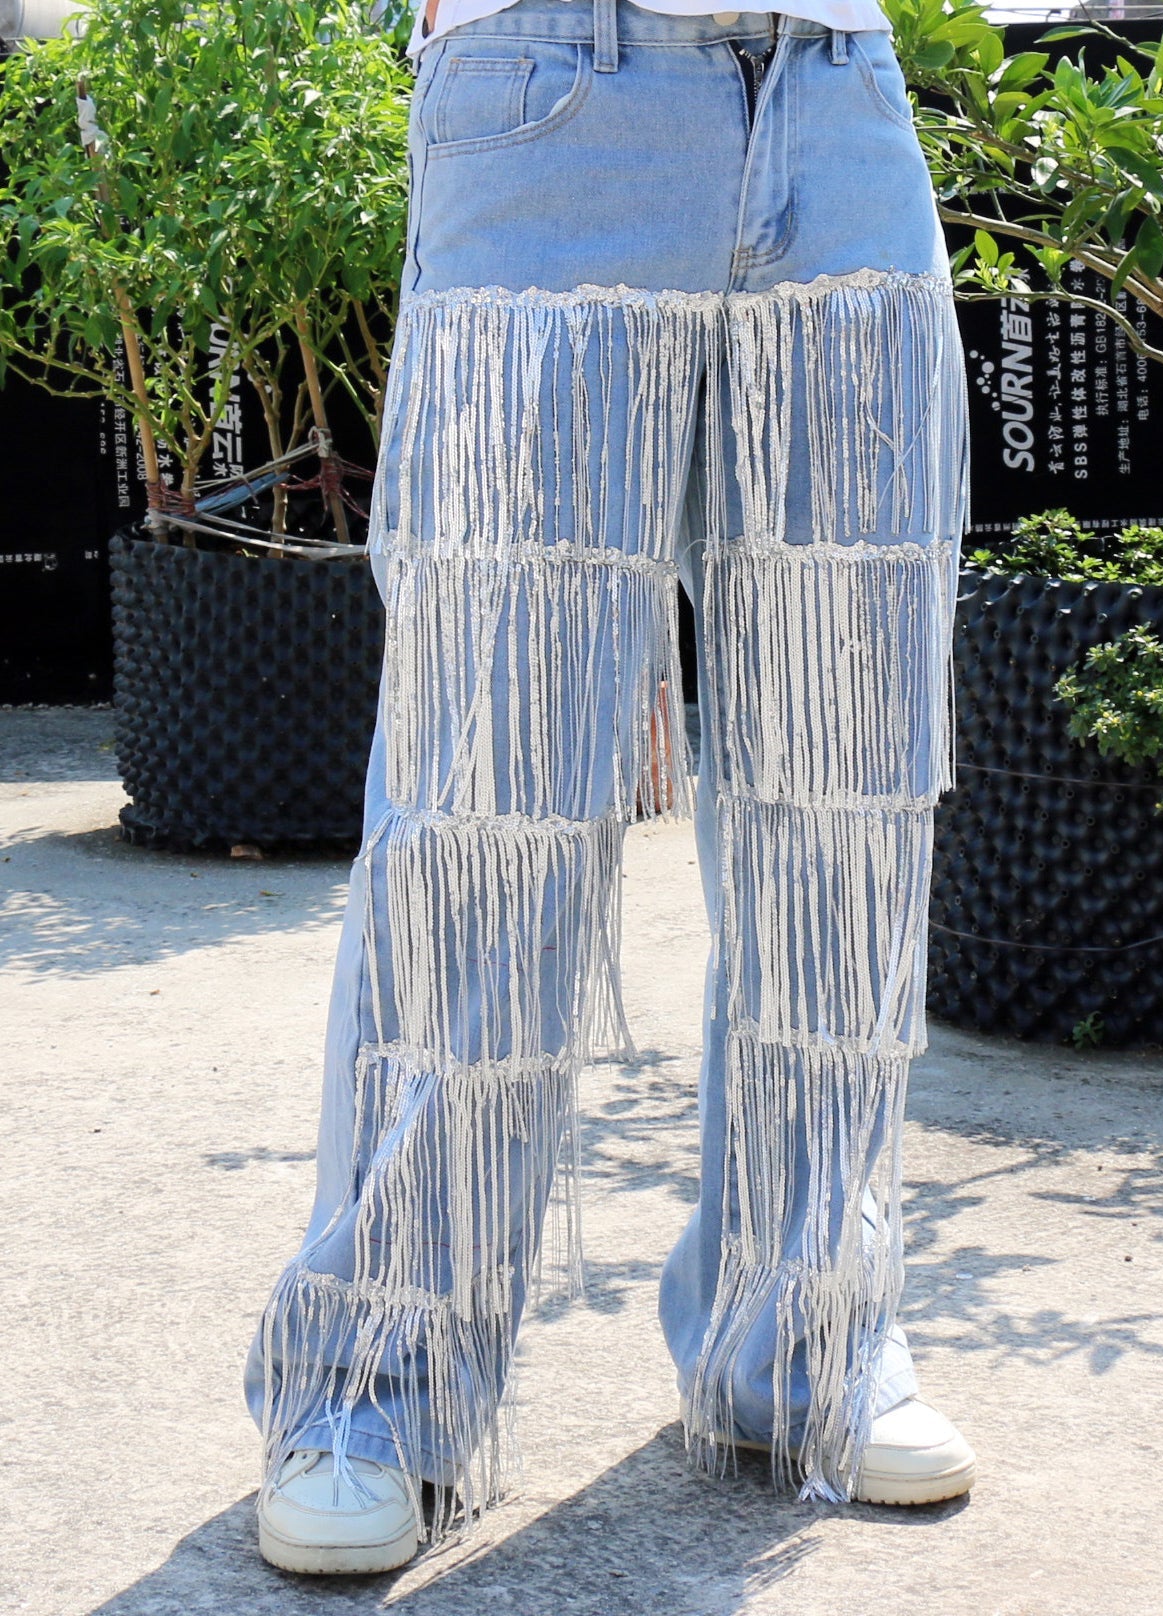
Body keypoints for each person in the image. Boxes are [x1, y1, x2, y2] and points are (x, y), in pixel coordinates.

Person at [247, 0, 976, 1575]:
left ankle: (810, 1330)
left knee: (842, 797)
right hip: (555, 99)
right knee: (486, 807)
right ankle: (376, 1378)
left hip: (836, 100)